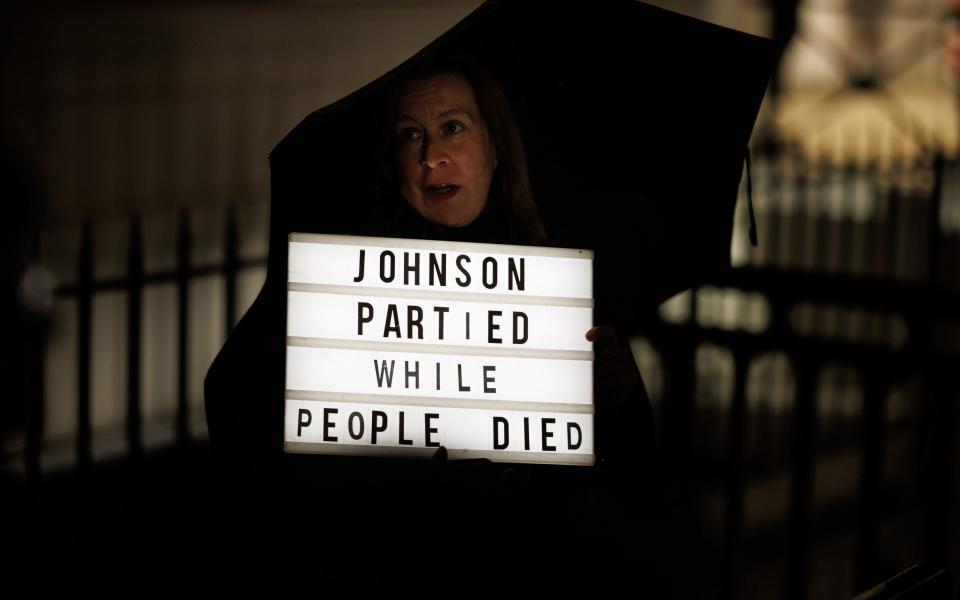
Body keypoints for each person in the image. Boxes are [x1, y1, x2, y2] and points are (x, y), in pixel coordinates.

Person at [204, 62, 658, 597]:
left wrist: (623, 395)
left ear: (495, 147)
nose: (430, 156)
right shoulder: (345, 287)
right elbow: (237, 401)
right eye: (410, 134)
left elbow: (629, 479)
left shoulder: (558, 288)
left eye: (453, 127)